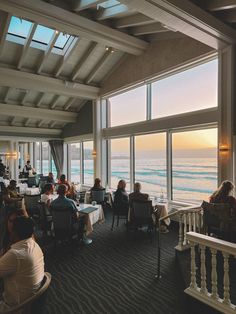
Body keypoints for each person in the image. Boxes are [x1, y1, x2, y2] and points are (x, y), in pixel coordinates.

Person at [0, 216, 44, 311]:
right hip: (31, 301)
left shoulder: (15, 254)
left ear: (14, 232)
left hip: (15, 308)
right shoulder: (34, 244)